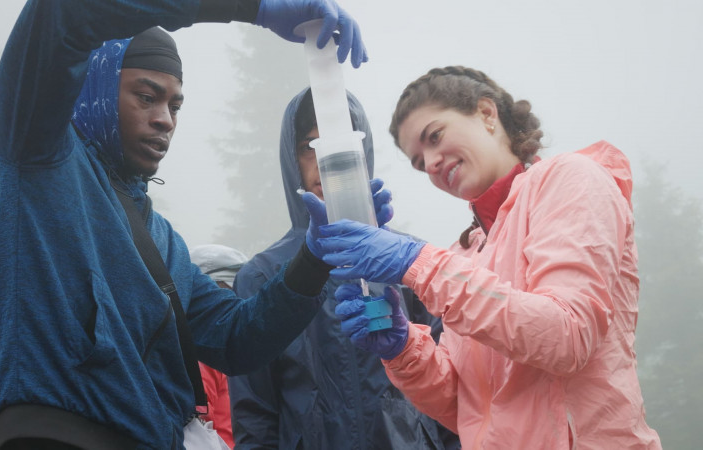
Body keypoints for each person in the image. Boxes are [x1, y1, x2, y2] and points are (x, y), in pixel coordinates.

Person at [0, 1, 368, 449]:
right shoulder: (33, 147)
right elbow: (64, 15)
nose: (165, 118)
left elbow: (236, 339)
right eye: (146, 96)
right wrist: (252, 7)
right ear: (95, 83)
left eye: (175, 104)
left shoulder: (159, 237)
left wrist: (314, 259)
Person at [302, 66, 662, 449]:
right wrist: (403, 348)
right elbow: (466, 408)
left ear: (487, 113)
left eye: (435, 136)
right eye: (420, 162)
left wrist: (416, 262)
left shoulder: (572, 179)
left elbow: (567, 335)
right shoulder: (468, 252)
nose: (432, 163)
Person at [228, 88, 460, 449]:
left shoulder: (410, 261)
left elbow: (454, 394)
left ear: (362, 155)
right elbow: (255, 418)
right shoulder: (261, 277)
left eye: (341, 147)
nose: (327, 162)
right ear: (292, 159)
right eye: (310, 147)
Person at [190, 244, 251, 448]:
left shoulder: (234, 344)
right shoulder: (201, 352)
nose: (238, 299)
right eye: (230, 289)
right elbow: (197, 425)